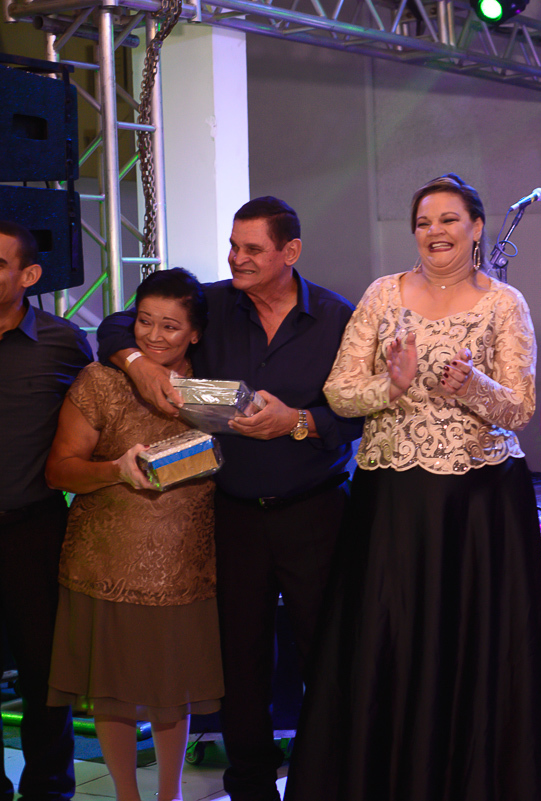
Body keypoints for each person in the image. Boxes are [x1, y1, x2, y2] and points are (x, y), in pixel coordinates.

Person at [284, 173, 541, 801]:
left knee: (470, 650)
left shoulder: (503, 304)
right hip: (393, 498)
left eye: (450, 219)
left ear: (477, 227)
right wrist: (392, 386)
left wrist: (475, 387)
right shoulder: (383, 295)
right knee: (391, 637)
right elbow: (340, 391)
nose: (435, 231)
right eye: (425, 221)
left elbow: (521, 410)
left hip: (479, 503)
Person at [96, 197, 362, 801]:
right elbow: (118, 324)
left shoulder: (337, 319)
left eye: (252, 250)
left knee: (324, 652)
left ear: (289, 253)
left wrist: (297, 422)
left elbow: (361, 415)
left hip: (315, 509)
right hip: (233, 513)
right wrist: (138, 363)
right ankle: (249, 785)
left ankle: (325, 781)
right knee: (239, 662)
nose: (236, 259)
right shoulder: (212, 304)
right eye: (233, 246)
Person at [43, 269, 222, 801]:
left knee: (174, 694)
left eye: (170, 327)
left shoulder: (212, 390)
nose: (152, 335)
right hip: (105, 562)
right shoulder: (101, 381)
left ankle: (169, 797)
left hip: (184, 565)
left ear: (193, 334)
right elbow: (59, 471)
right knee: (113, 694)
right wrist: (114, 471)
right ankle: (126, 795)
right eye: (144, 321)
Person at [0, 220, 87, 801]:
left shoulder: (63, 342)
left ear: (29, 276)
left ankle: (48, 790)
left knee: (44, 674)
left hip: (32, 528)